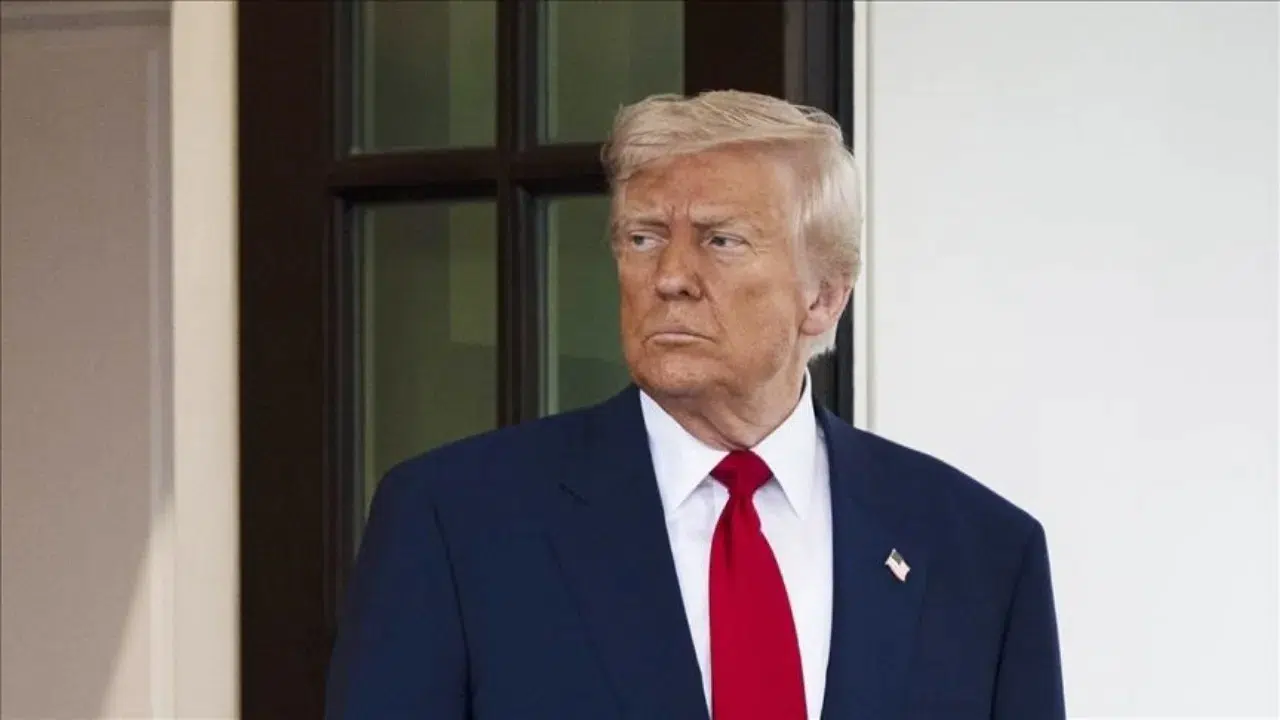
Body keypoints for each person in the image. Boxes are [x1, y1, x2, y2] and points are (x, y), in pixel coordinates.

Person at [324, 90, 1066, 720]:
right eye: (643, 237)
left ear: (824, 295)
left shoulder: (979, 552)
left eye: (721, 240)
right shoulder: (456, 522)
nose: (671, 276)